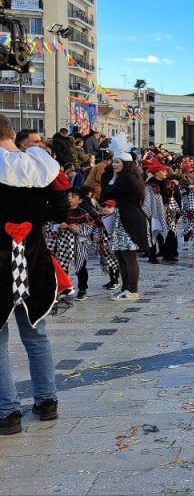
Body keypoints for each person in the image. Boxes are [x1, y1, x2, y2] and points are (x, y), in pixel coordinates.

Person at [0, 114, 68, 435]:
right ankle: (47, 402)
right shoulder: (41, 167)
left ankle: (8, 413)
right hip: (34, 261)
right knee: (36, 335)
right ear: (13, 134)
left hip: (0, 265)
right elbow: (60, 211)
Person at [99, 147, 148, 301]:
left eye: (117, 162)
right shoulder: (128, 176)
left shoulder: (128, 178)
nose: (114, 165)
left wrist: (113, 177)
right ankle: (125, 288)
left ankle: (132, 290)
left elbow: (107, 194)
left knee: (128, 255)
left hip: (130, 220)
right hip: (124, 217)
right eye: (113, 161)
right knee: (121, 254)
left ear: (126, 163)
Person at [142, 162, 179, 264]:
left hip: (167, 211)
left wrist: (169, 207)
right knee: (154, 232)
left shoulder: (168, 183)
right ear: (156, 173)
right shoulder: (149, 185)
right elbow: (147, 200)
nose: (165, 172)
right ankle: (152, 256)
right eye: (163, 171)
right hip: (154, 212)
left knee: (170, 233)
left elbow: (171, 197)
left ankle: (168, 254)